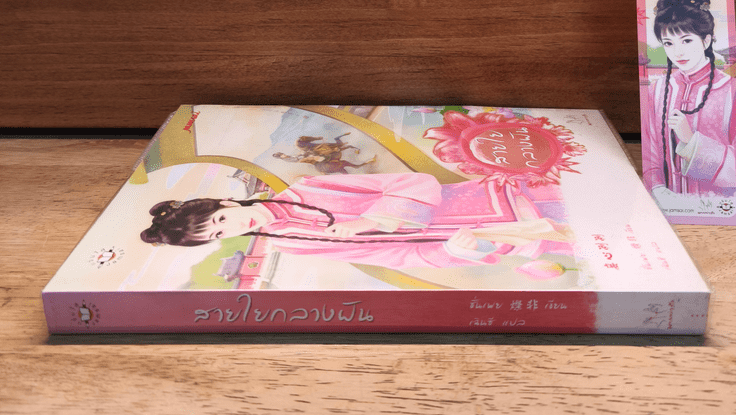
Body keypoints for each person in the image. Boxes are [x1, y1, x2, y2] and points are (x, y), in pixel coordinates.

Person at [141, 172, 575, 274]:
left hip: (506, 199)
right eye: (219, 234)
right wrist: (451, 252)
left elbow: (415, 182)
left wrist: (370, 220)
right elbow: (397, 257)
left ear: (226, 201)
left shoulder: (308, 186)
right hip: (499, 238)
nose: (232, 227)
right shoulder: (293, 244)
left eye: (221, 218)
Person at [642, 0, 736, 203]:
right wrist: (659, 191)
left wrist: (690, 139)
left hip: (717, 204)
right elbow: (650, 154)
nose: (678, 52)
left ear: (706, 41)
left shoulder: (730, 90)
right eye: (668, 43)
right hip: (666, 203)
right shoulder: (658, 89)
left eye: (686, 40)